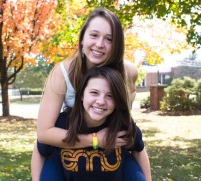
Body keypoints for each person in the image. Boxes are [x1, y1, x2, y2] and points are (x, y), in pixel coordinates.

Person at [31, 7, 143, 180]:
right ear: (82, 38)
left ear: (117, 45)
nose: (99, 44)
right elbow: (44, 134)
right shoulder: (62, 73)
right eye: (94, 35)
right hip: (69, 143)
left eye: (109, 39)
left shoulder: (127, 73)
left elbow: (125, 123)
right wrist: (96, 139)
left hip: (112, 150)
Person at [36, 66, 151, 180]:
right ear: (81, 95)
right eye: (94, 93)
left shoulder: (122, 125)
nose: (101, 101)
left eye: (110, 96)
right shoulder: (62, 124)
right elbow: (40, 150)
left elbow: (139, 150)